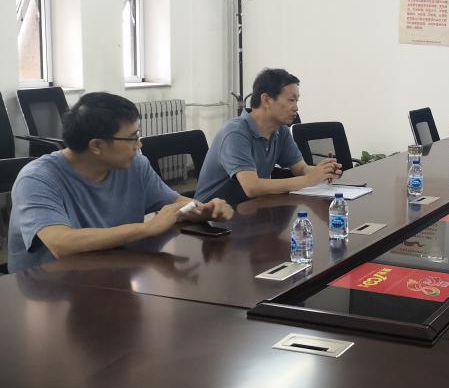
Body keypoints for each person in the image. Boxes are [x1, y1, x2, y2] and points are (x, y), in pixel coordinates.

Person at [7, 93, 233, 273]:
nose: (139, 145)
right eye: (133, 138)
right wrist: (147, 228)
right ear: (97, 146)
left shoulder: (135, 165)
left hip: (111, 274)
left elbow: (175, 205)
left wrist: (203, 210)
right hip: (50, 292)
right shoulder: (38, 179)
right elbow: (61, 243)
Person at [195, 68, 341, 206]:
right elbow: (252, 186)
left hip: (249, 210)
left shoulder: (281, 131)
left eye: (297, 101)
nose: (296, 107)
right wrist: (308, 180)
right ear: (266, 100)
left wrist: (322, 171)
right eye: (291, 100)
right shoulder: (235, 132)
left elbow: (301, 169)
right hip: (212, 217)